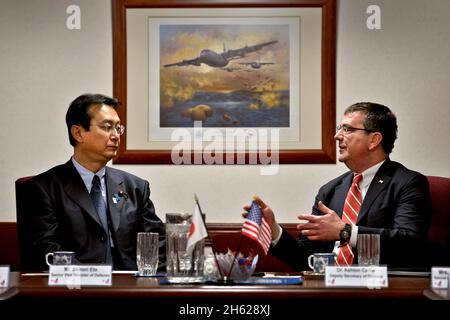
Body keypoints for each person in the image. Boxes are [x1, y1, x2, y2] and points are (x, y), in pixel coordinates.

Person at [245, 102, 431, 270]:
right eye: (339, 129)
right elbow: (305, 259)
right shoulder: (330, 191)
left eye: (348, 129)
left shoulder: (408, 183)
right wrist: (274, 230)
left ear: (374, 140)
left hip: (380, 292)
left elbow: (410, 242)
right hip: (327, 290)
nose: (336, 136)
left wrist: (346, 232)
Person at [18, 93, 165, 271]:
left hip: (132, 287)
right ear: (78, 133)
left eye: (118, 128)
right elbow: (46, 253)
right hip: (74, 291)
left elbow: (158, 247)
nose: (116, 136)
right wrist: (94, 278)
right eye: (107, 127)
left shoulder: (135, 187)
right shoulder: (43, 189)